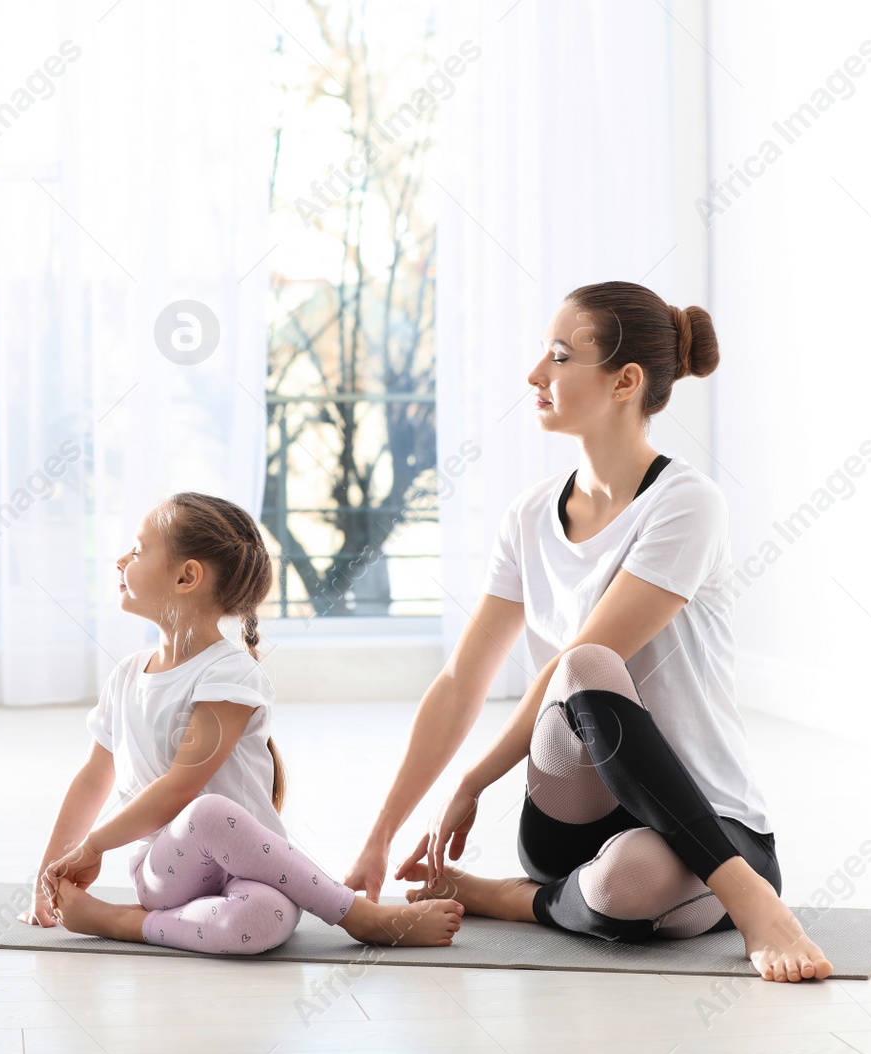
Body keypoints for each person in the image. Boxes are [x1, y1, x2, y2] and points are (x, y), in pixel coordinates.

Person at [343, 281, 833, 982]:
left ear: (624, 381)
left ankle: (728, 895)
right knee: (580, 682)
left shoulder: (685, 503)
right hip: (571, 812)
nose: (536, 375)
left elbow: (582, 659)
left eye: (561, 356)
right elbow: (460, 682)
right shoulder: (529, 514)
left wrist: (478, 777)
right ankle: (704, 901)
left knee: (625, 878)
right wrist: (381, 832)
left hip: (709, 821)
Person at [19, 491, 464, 953]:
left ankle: (128, 923)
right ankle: (361, 918)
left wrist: (92, 847)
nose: (120, 560)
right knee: (208, 813)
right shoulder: (126, 676)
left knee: (264, 920)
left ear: (187, 576)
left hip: (257, 870)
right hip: (168, 870)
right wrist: (46, 876)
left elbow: (180, 784)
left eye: (137, 549)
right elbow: (94, 779)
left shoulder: (228, 673)